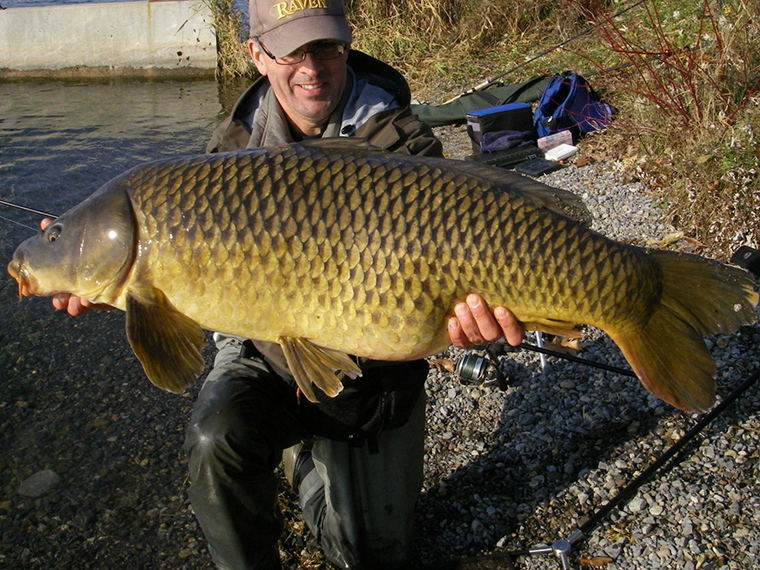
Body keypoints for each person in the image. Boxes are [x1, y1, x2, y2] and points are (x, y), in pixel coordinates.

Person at [46, 1, 525, 568]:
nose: (311, 67)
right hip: (265, 359)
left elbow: (467, 273)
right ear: (257, 54)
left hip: (373, 373)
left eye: (324, 47)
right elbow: (175, 334)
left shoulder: (403, 144)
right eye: (292, 49)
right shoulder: (225, 153)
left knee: (368, 557)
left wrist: (475, 328)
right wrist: (119, 289)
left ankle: (305, 463)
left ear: (347, 42)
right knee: (213, 437)